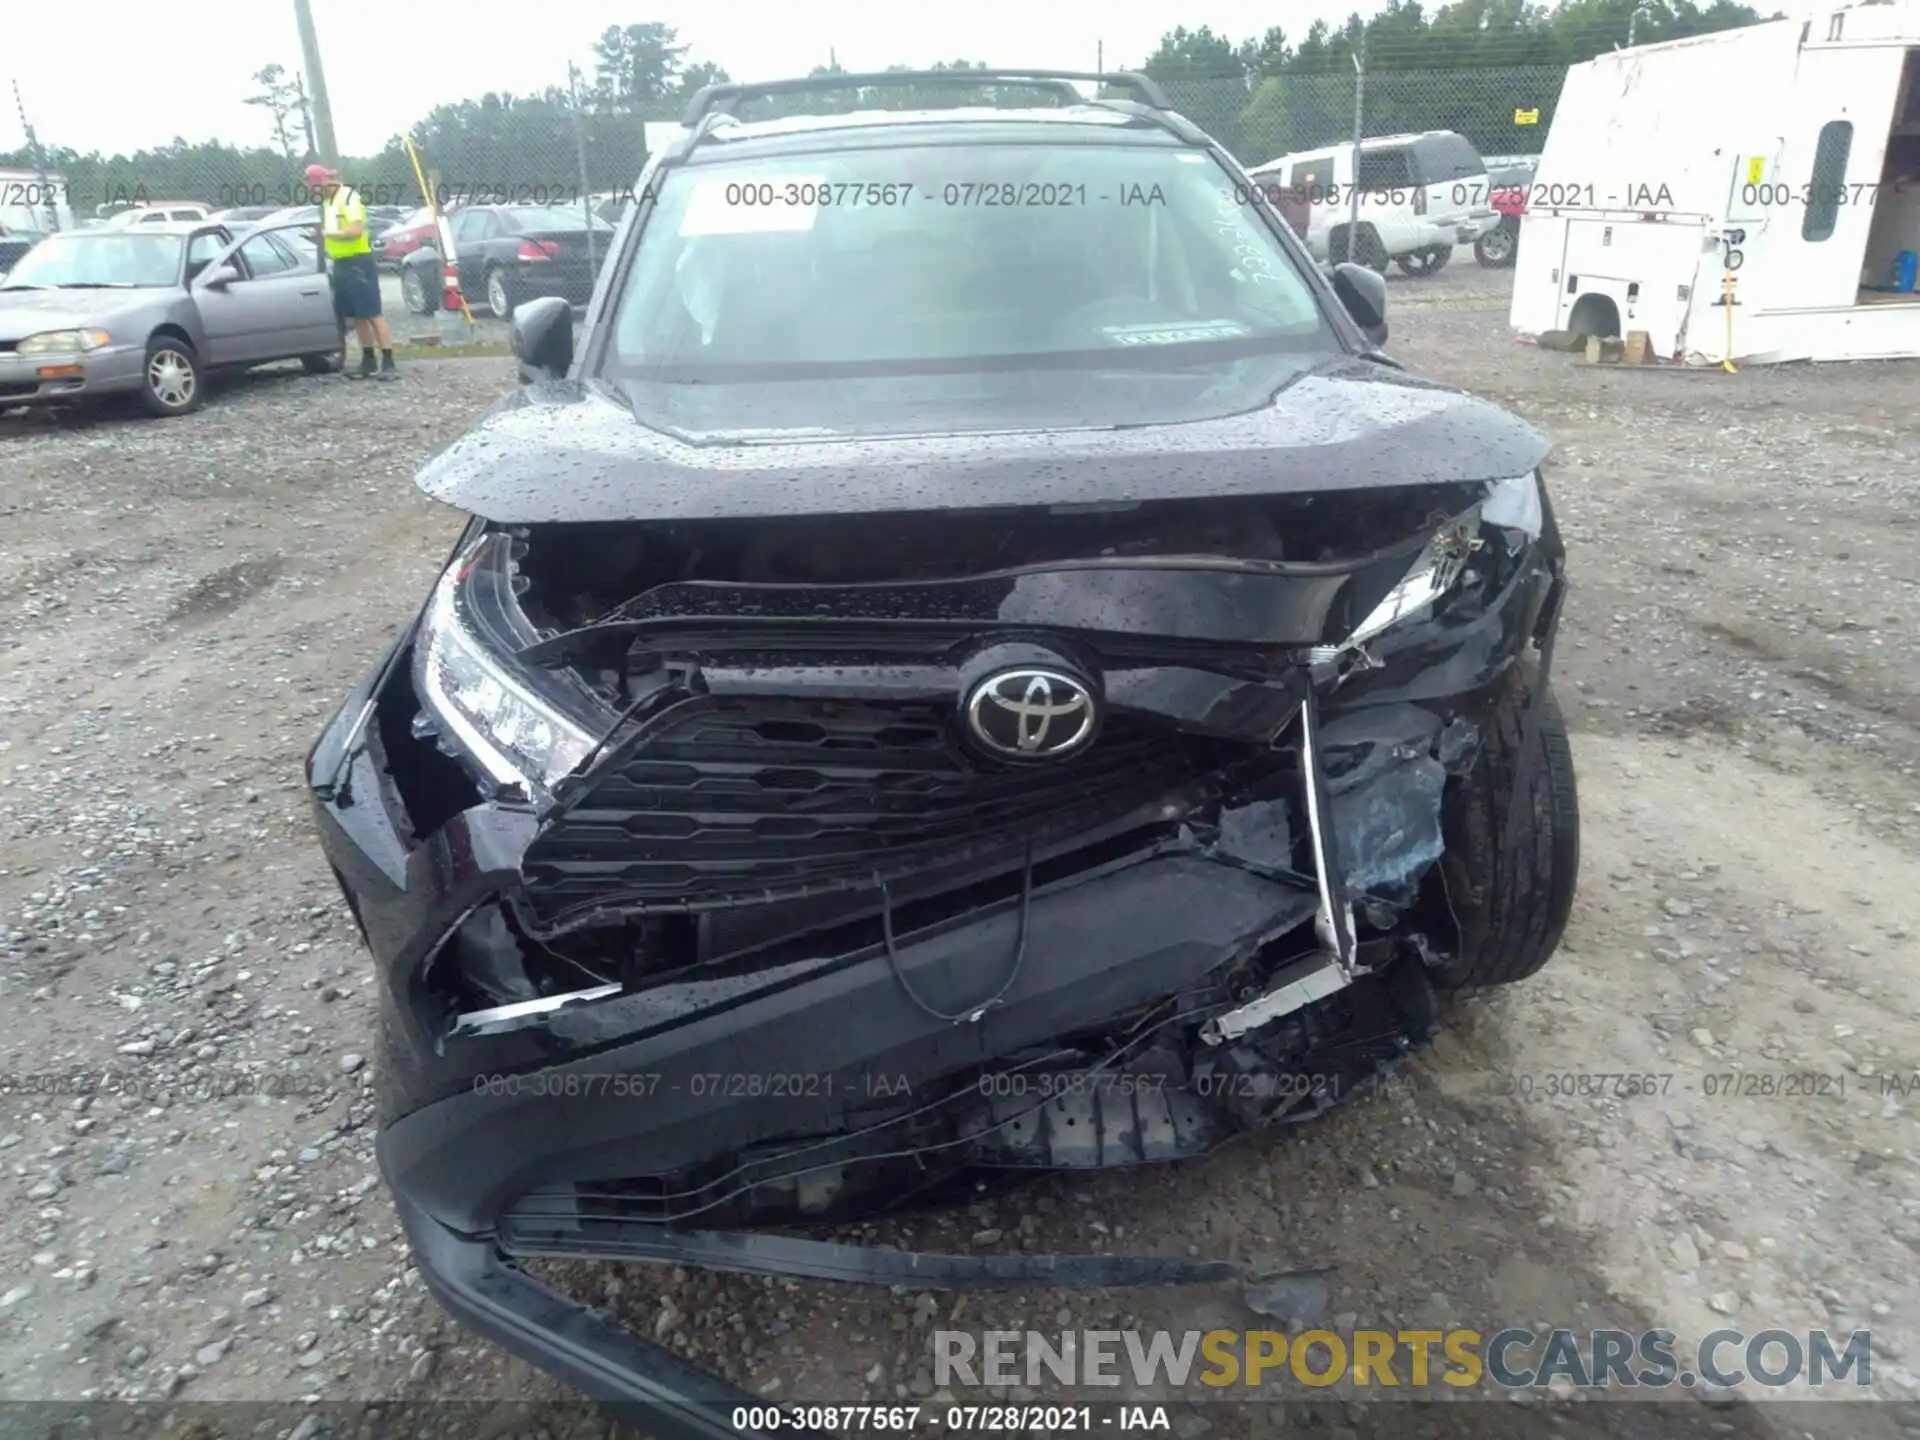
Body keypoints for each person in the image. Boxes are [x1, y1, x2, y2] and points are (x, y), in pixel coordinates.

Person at [307, 163, 396, 380]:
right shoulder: (329, 202)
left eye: (314, 186)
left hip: (358, 262)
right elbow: (335, 233)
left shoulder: (348, 198)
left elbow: (355, 230)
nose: (313, 191)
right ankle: (368, 359)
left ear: (323, 181)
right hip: (341, 263)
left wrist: (328, 233)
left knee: (373, 312)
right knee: (357, 316)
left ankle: (388, 360)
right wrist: (321, 237)